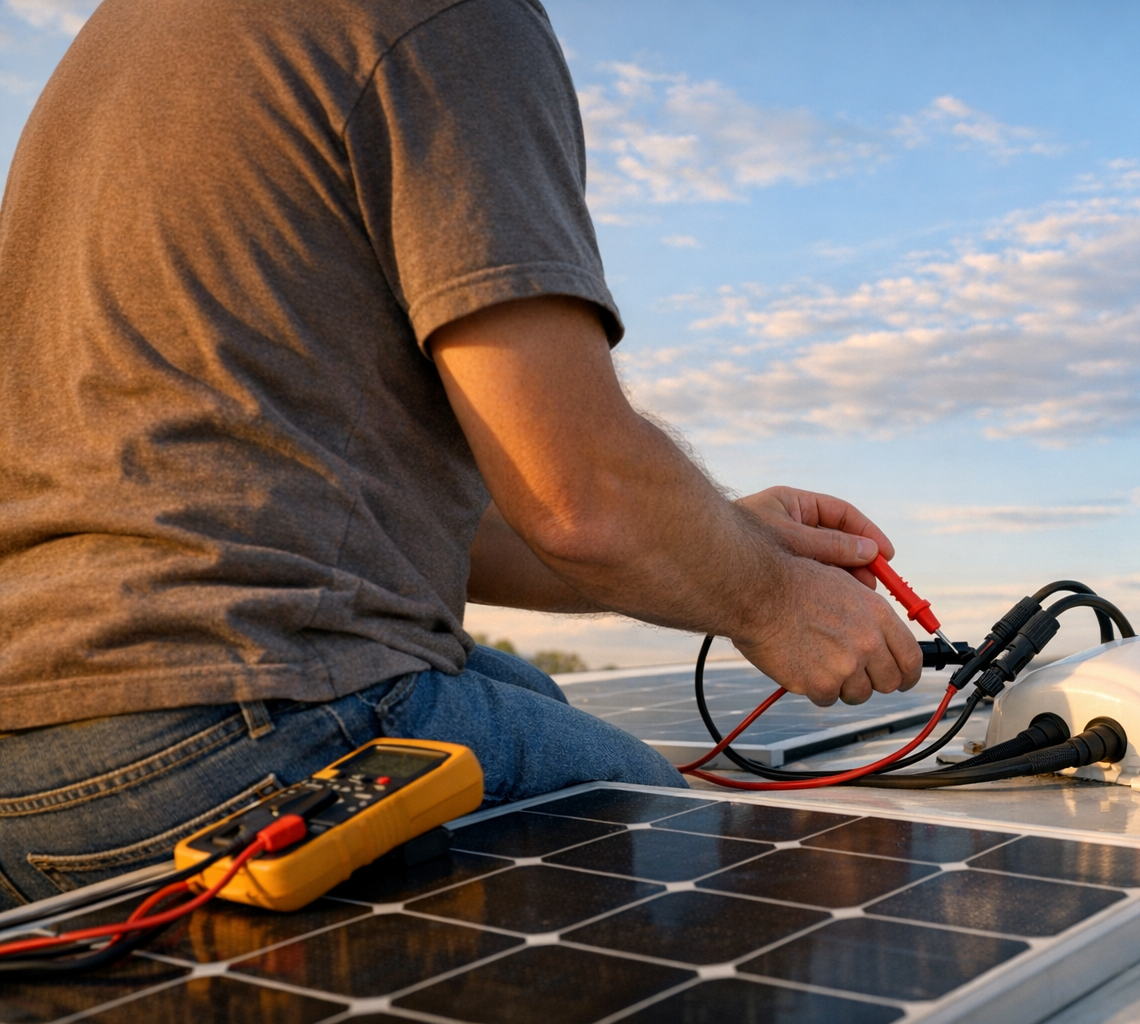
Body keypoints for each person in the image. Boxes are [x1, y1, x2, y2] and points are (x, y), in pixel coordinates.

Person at [0, 0, 922, 909]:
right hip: (235, 725)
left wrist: (721, 533)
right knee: (670, 843)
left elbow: (425, 511)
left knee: (530, 695)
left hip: (32, 765)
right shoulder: (454, 18)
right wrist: (775, 599)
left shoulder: (139, 34)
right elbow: (581, 497)